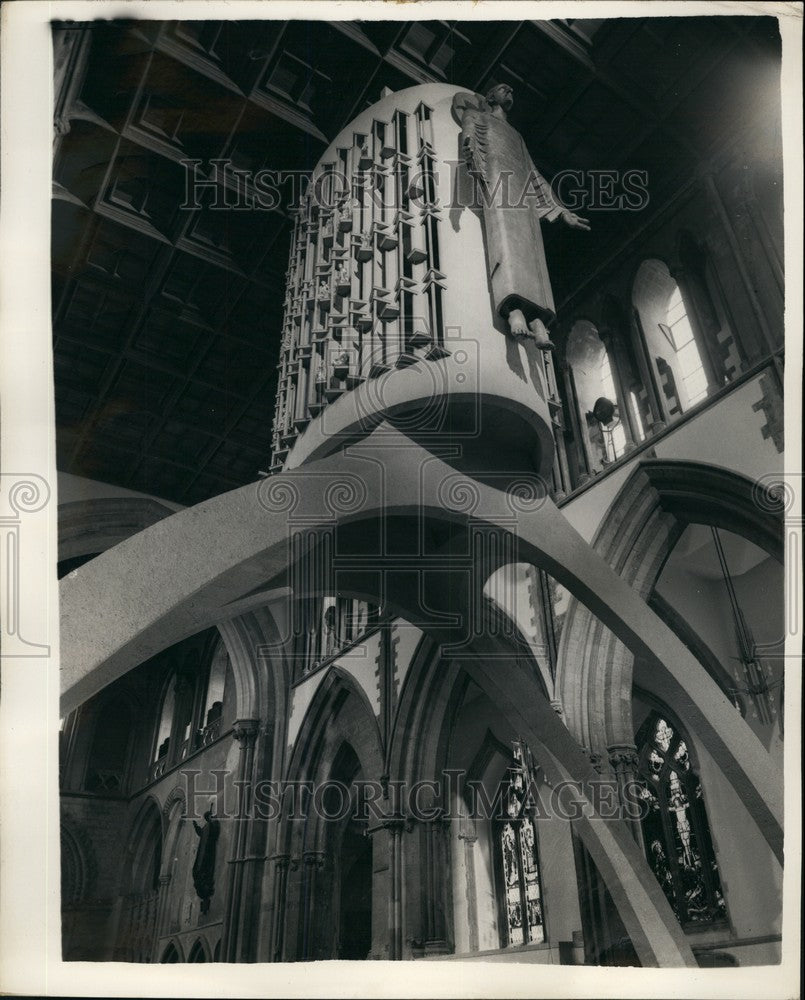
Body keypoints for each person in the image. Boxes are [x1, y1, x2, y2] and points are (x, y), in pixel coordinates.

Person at [452, 84, 590, 350]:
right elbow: (468, 139)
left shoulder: (517, 135)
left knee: (534, 256)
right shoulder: (476, 114)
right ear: (490, 97)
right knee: (507, 248)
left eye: (512, 90)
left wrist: (561, 212)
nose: (511, 91)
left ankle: (539, 321)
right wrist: (470, 153)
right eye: (504, 89)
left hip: (523, 197)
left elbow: (533, 173)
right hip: (498, 186)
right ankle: (513, 309)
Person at [192, 807, 220, 914]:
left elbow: (215, 833)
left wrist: (214, 822)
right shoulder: (206, 827)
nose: (208, 818)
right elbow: (201, 833)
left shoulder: (212, 825)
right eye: (208, 817)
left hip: (208, 852)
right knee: (197, 868)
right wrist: (196, 827)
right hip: (202, 853)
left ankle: (206, 897)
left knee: (205, 868)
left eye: (209, 816)